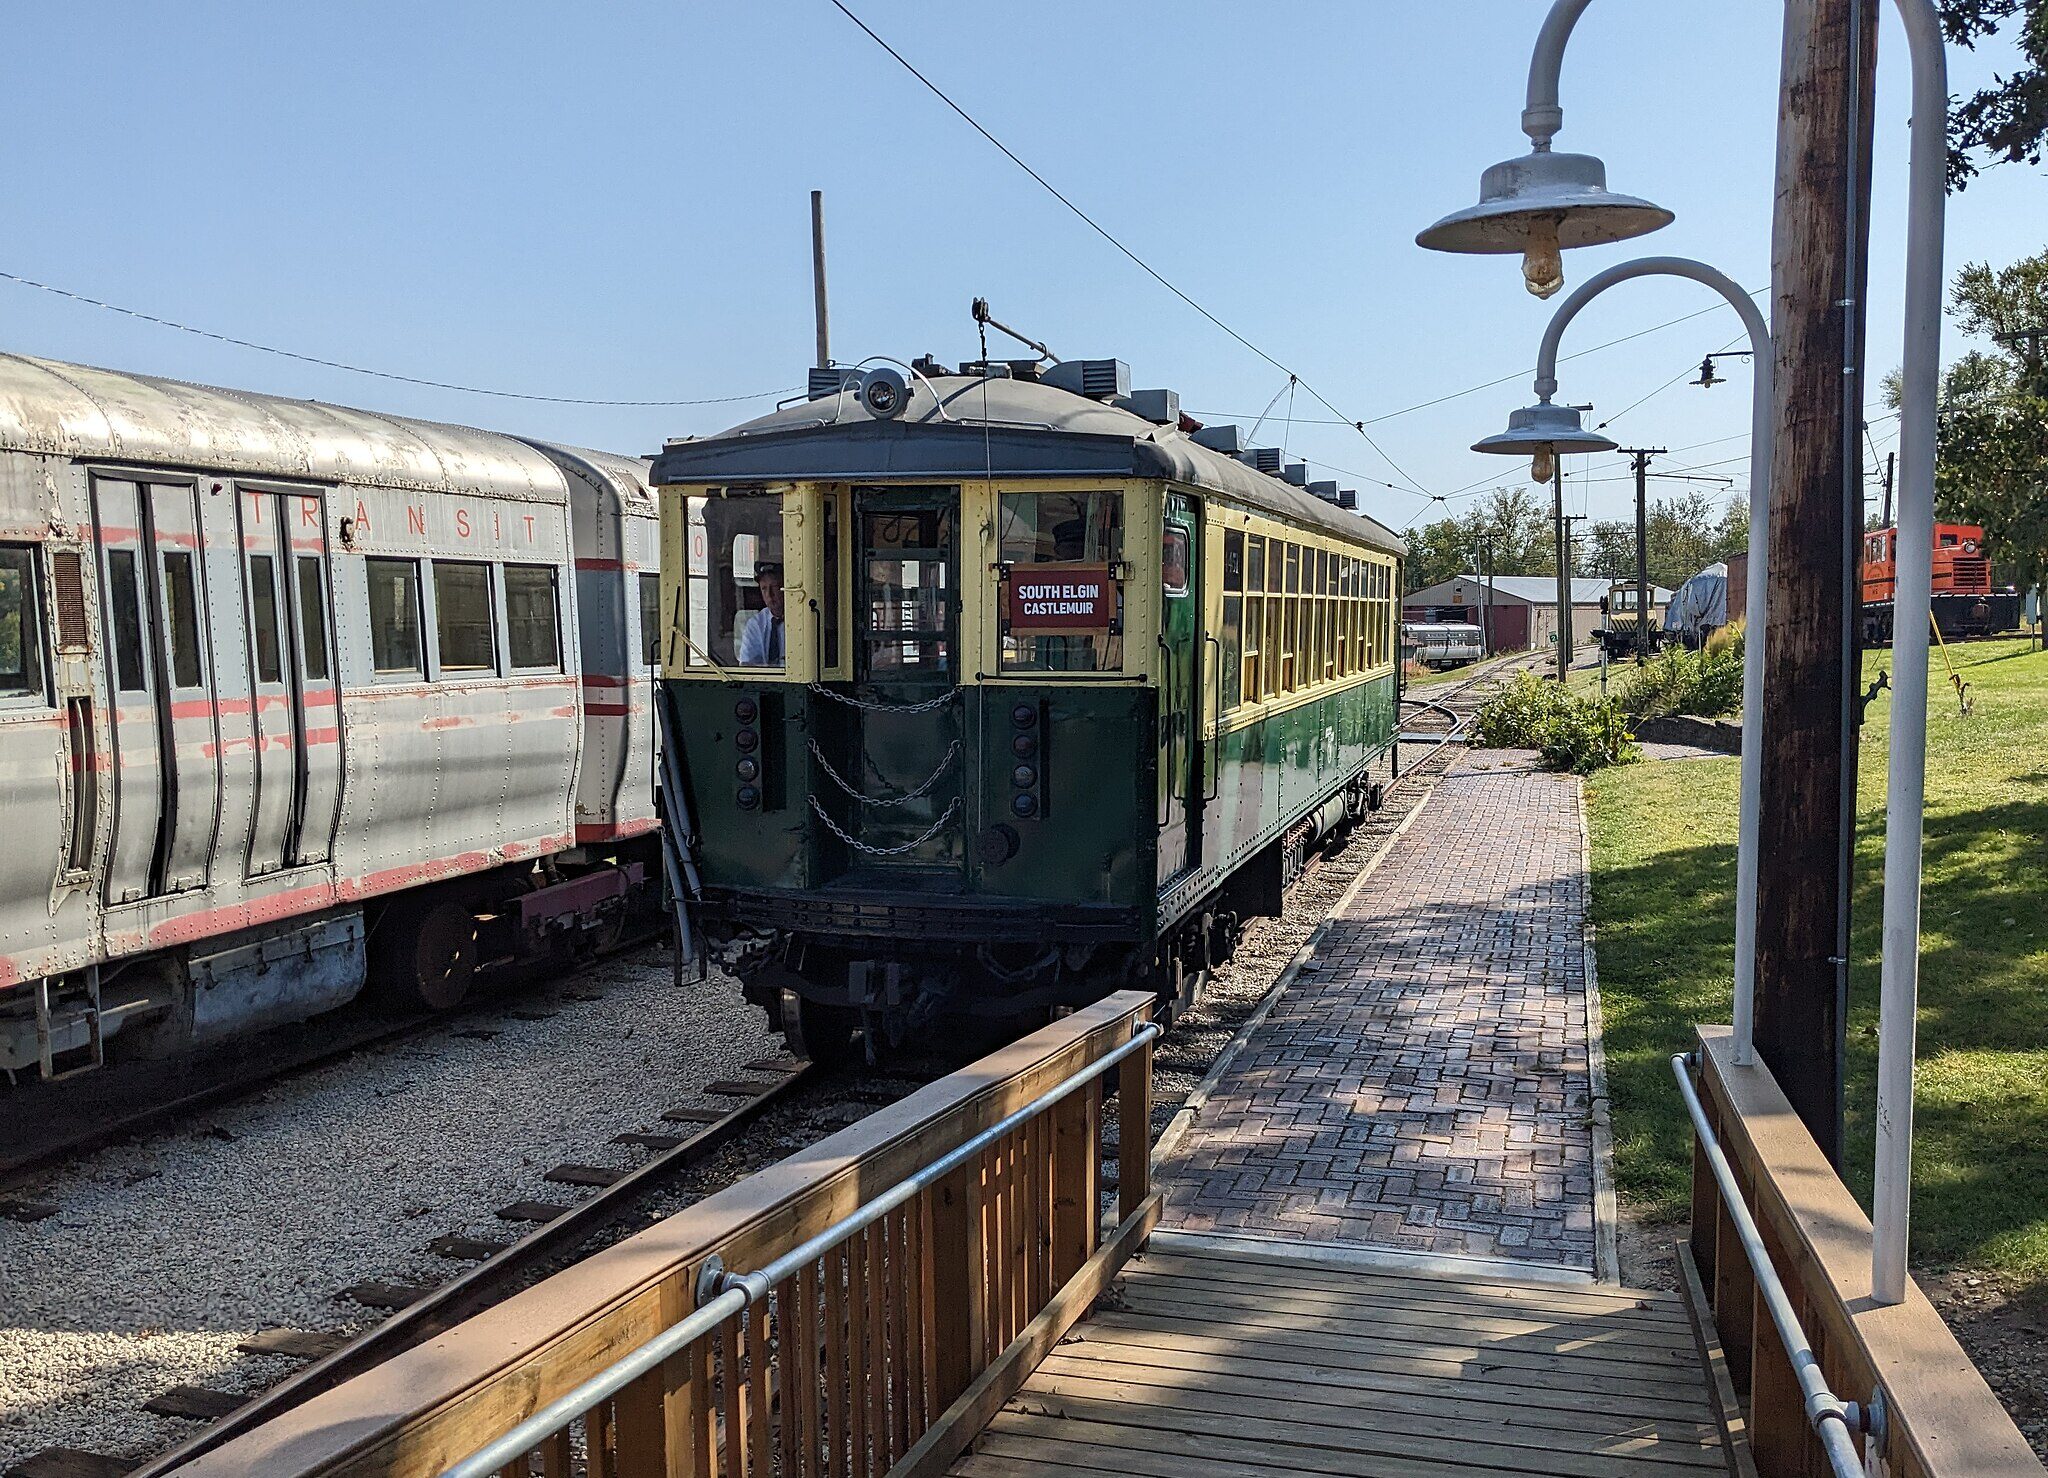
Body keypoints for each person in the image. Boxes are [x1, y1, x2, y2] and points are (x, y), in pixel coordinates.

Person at [737, 562, 786, 666]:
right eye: (764, 588)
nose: (769, 595)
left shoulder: (800, 620)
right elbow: (748, 663)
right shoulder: (756, 623)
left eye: (774, 587)